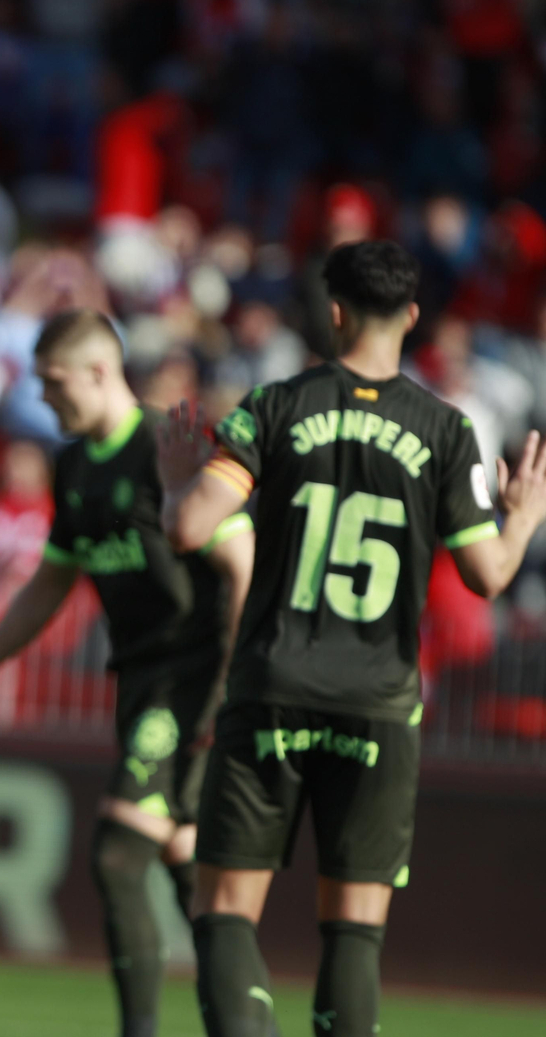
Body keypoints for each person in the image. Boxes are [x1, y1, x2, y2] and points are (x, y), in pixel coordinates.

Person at [157, 239, 546, 1037]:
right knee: (355, 926)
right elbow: (489, 575)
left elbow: (193, 527)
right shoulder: (447, 430)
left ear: (333, 311)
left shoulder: (274, 405)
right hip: (378, 700)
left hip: (272, 685)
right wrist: (528, 512)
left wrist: (172, 480)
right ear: (410, 315)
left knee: (226, 909)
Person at [0, 308, 254, 1037]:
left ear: (100, 372)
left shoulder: (166, 446)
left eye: (54, 384)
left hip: (190, 675)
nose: (45, 400)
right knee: (190, 870)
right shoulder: (74, 463)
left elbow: (241, 562)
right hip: (142, 678)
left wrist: (229, 684)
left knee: (117, 855)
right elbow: (53, 580)